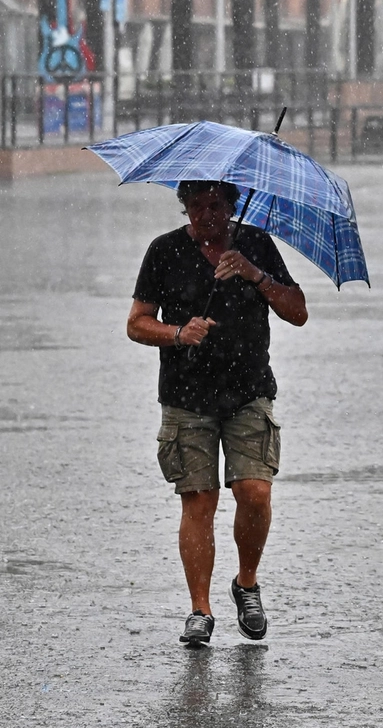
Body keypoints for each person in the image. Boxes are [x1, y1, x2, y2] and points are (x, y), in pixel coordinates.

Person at [127, 180, 308, 646]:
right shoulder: (164, 251)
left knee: (254, 493)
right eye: (195, 206)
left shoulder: (256, 245)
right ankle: (200, 610)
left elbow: (298, 311)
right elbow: (137, 323)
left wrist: (254, 274)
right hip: (187, 397)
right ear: (184, 207)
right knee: (199, 501)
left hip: (248, 392)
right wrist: (177, 333)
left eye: (215, 205)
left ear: (232, 206)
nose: (205, 215)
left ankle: (246, 583)